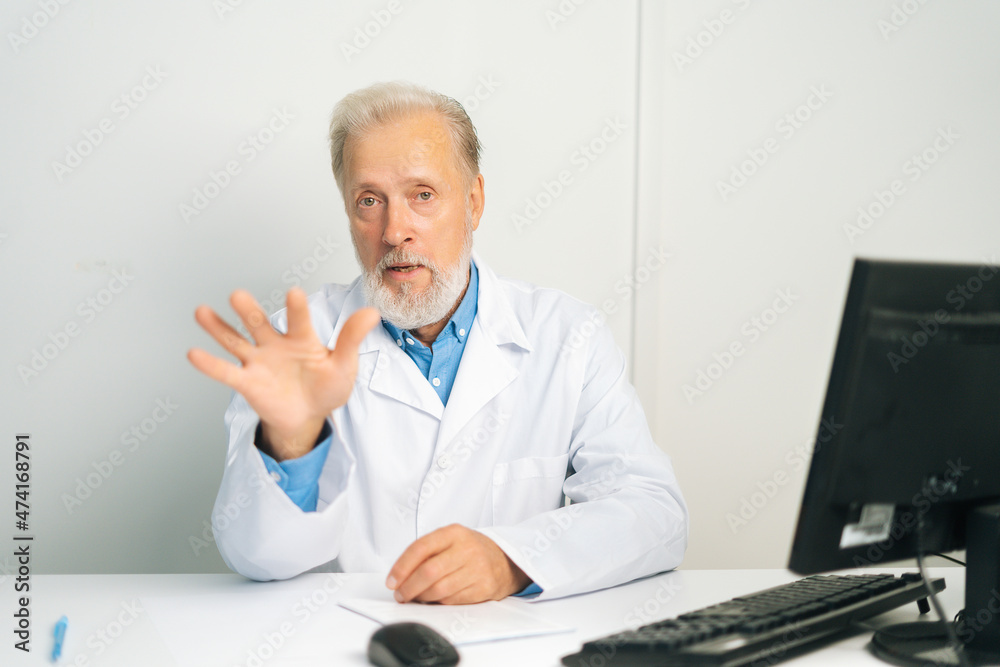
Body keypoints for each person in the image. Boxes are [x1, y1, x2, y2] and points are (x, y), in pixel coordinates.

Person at [188, 81, 687, 604]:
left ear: (473, 202)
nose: (394, 231)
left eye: (422, 195)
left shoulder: (569, 336)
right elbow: (255, 557)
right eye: (368, 201)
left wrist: (512, 559)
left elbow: (653, 511)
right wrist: (292, 441)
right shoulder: (292, 347)